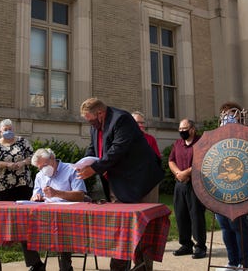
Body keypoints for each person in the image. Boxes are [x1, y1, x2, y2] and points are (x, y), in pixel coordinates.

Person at [76, 98, 164, 271]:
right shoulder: (96, 126)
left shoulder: (121, 119)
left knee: (143, 229)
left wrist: (94, 168)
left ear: (100, 114)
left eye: (91, 120)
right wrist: (82, 164)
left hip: (142, 180)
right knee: (120, 229)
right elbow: (93, 149)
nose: (90, 124)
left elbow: (117, 149)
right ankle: (118, 268)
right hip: (118, 183)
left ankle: (143, 267)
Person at [22, 148, 87, 271]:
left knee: (62, 227)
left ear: (52, 158)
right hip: (46, 214)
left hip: (68, 216)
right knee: (24, 226)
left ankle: (66, 267)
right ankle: (36, 264)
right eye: (39, 167)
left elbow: (80, 195)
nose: (43, 170)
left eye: (45, 166)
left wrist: (57, 193)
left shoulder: (71, 170)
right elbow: (33, 197)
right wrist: (36, 197)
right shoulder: (40, 175)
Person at [214, 101, 248, 270]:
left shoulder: (247, 136)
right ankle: (232, 262)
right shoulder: (216, 138)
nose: (227, 117)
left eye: (230, 113)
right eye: (224, 114)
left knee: (240, 228)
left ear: (239, 116)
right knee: (225, 227)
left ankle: (245, 264)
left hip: (241, 189)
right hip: (221, 190)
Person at [168, 118, 207, 259]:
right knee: (180, 214)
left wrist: (186, 173)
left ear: (192, 129)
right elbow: (171, 160)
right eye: (180, 130)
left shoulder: (201, 142)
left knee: (196, 215)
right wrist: (178, 173)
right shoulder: (178, 143)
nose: (182, 132)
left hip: (195, 184)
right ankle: (186, 244)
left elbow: (203, 162)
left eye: (184, 129)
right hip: (180, 184)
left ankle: (200, 246)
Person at [0, 119, 34, 201]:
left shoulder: (22, 141)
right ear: (0, 132)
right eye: (5, 129)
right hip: (3, 185)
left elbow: (33, 156)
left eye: (10, 129)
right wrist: (6, 164)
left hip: (23, 183)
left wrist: (23, 162)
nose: (8, 131)